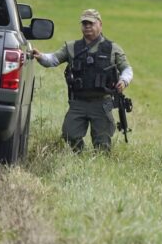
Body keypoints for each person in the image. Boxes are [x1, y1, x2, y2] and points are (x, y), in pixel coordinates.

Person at [32, 9, 133, 152]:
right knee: (69, 134)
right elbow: (53, 59)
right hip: (78, 102)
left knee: (102, 144)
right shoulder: (72, 47)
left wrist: (124, 81)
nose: (87, 26)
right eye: (85, 23)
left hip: (102, 103)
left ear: (100, 24)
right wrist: (40, 56)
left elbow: (127, 69)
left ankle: (98, 162)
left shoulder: (112, 48)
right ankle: (80, 155)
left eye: (91, 23)